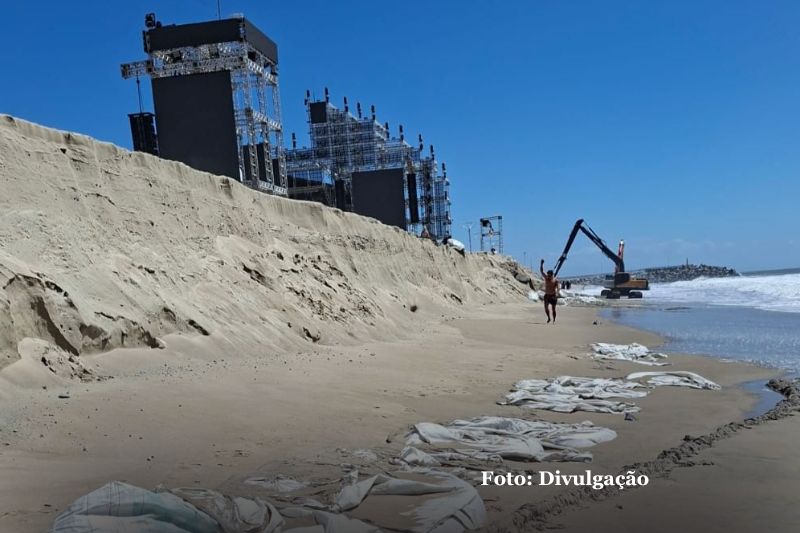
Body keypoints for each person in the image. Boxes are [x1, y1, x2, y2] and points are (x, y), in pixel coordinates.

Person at [539, 259, 559, 324]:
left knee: (553, 309)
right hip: (547, 296)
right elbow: (541, 271)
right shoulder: (546, 278)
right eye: (547, 275)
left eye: (549, 275)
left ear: (552, 275)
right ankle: (549, 318)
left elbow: (558, 287)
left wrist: (558, 291)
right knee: (546, 309)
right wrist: (542, 264)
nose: (548, 276)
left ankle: (554, 320)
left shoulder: (555, 280)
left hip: (553, 296)